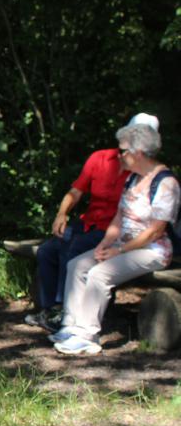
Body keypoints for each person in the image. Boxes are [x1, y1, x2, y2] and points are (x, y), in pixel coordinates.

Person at [51, 122, 179, 355]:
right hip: (123, 246)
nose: (118, 155)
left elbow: (155, 231)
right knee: (77, 265)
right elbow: (119, 217)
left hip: (152, 250)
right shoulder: (133, 179)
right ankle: (70, 325)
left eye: (123, 151)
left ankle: (87, 335)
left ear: (138, 153)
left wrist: (119, 251)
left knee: (100, 274)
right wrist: (103, 246)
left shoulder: (166, 183)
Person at [24, 113, 157, 332]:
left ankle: (64, 311)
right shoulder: (100, 158)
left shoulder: (143, 173)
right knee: (48, 250)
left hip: (113, 232)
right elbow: (75, 192)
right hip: (88, 223)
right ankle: (49, 310)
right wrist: (61, 213)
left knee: (74, 247)